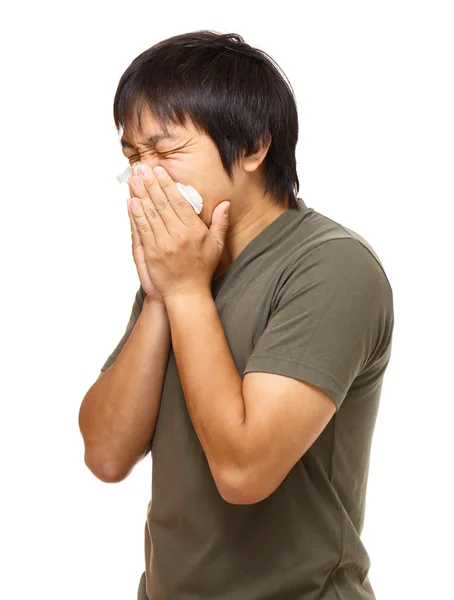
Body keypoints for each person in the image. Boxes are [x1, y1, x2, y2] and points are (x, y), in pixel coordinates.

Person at [78, 30, 394, 600]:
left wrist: (186, 292)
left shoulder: (332, 267)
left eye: (166, 151)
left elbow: (244, 473)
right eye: (132, 157)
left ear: (251, 146)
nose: (144, 178)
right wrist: (160, 297)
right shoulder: (183, 264)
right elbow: (104, 454)